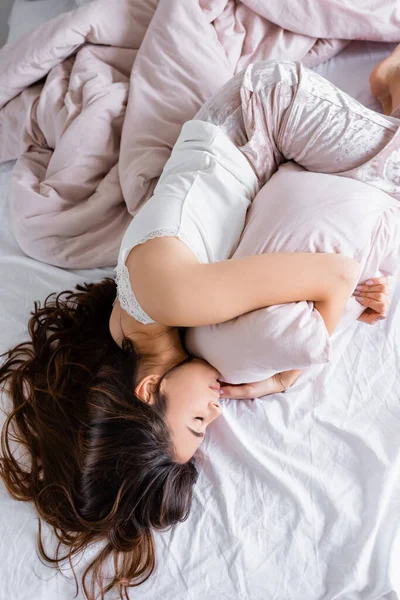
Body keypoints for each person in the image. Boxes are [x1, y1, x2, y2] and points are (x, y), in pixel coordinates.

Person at [0, 55, 397, 600]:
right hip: (248, 148)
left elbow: (336, 274)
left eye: (195, 424)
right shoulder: (129, 332)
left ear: (147, 390)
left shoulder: (173, 300)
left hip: (267, 113)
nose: (215, 410)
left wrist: (285, 378)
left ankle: (388, 81)